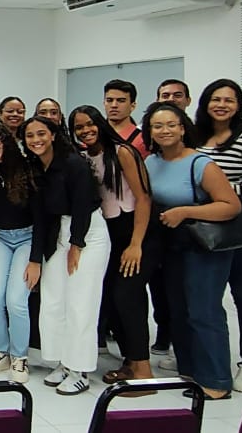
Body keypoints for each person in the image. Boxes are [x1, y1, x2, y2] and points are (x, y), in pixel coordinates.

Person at [143, 102, 242, 401]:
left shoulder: (200, 163)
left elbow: (231, 206)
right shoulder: (151, 162)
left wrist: (185, 211)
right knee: (178, 309)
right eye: (158, 126)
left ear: (183, 127)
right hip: (172, 246)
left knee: (204, 311)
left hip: (204, 248)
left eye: (171, 124)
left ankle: (216, 381)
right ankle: (189, 369)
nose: (164, 130)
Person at [68, 106, 157, 391]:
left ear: (100, 123)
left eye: (90, 124)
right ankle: (130, 361)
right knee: (112, 300)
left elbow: (143, 198)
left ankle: (144, 372)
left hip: (135, 231)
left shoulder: (123, 152)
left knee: (128, 296)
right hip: (108, 232)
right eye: (79, 127)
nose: (85, 131)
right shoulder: (84, 157)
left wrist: (136, 244)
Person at [22, 116, 109, 396]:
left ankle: (80, 369)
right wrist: (36, 258)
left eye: (41, 133)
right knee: (52, 299)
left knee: (81, 303)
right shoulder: (36, 167)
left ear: (53, 134)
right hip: (58, 233)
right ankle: (62, 361)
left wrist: (77, 244)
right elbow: (39, 216)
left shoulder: (73, 163)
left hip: (87, 233)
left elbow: (83, 204)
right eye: (30, 136)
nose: (36, 140)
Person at [193, 79, 242, 393]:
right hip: (207, 230)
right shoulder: (197, 137)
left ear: (238, 106)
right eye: (216, 99)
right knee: (207, 298)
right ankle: (212, 362)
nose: (221, 105)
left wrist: (218, 187)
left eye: (229, 100)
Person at [0, 122, 41, 384]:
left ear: (6, 139)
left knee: (16, 300)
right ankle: (0, 350)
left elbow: (41, 217)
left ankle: (19, 355)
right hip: (0, 239)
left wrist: (36, 259)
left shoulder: (27, 167)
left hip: (27, 238)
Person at [104, 79, 147, 158]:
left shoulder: (142, 139)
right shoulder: (93, 134)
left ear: (132, 106)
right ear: (104, 103)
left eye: (121, 101)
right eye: (109, 100)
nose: (114, 105)